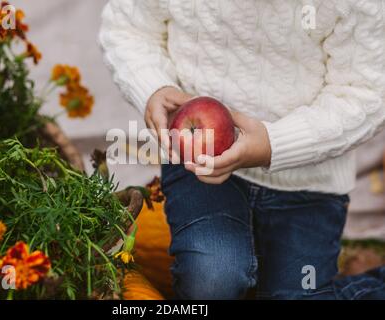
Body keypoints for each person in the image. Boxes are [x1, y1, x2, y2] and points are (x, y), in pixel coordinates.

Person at [99, 0, 385, 299]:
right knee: (211, 277)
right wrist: (153, 87)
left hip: (308, 183)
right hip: (199, 167)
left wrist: (276, 143)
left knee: (302, 290)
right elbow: (128, 27)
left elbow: (366, 93)